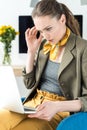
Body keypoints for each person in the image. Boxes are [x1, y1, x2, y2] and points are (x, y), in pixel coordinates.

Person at [0, 0, 87, 130]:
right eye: (41, 31)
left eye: (49, 29)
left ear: (62, 19)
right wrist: (31, 51)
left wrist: (57, 105)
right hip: (32, 104)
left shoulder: (83, 48)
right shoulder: (43, 45)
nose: (45, 35)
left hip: (59, 110)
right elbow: (29, 84)